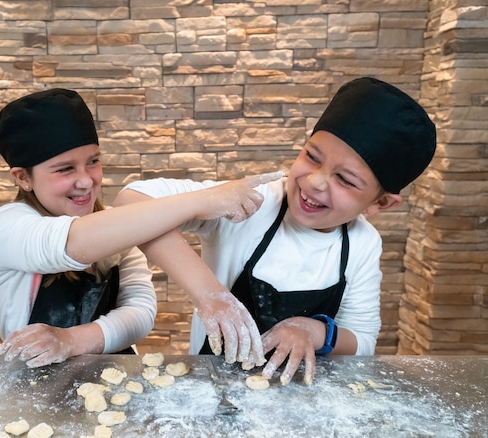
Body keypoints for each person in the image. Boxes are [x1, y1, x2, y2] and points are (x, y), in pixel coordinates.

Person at [115, 77, 437, 384]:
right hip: (214, 395)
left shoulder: (363, 244)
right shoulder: (251, 205)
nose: (315, 181)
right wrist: (210, 294)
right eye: (312, 156)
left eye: (345, 180)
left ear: (381, 202)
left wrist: (312, 331)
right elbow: (130, 200)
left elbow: (363, 340)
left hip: (305, 405)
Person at [0, 88, 280, 368]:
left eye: (93, 161)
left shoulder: (117, 223)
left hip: (111, 377)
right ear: (23, 178)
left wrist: (71, 340)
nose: (86, 180)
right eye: (65, 169)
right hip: (33, 385)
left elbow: (140, 312)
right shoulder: (8, 225)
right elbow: (72, 243)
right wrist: (202, 201)